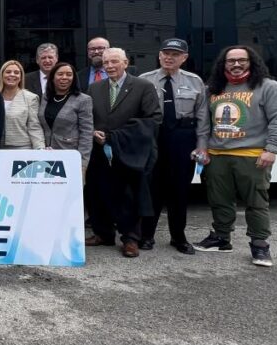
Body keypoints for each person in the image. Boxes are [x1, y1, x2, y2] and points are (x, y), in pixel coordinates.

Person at [193, 45, 277, 267]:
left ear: (252, 62)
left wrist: (272, 149)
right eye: (231, 61)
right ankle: (221, 238)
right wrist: (202, 148)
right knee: (219, 200)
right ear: (223, 64)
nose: (236, 65)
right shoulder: (213, 88)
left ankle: (260, 246)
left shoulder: (269, 87)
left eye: (242, 60)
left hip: (252, 154)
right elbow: (203, 124)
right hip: (217, 155)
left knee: (256, 202)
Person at [86, 48, 162, 258]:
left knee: (130, 195)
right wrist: (93, 132)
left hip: (132, 151)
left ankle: (130, 238)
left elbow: (152, 119)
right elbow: (88, 117)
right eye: (106, 63)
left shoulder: (143, 86)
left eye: (114, 62)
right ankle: (103, 234)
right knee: (99, 193)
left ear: (126, 62)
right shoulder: (94, 88)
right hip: (100, 150)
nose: (109, 66)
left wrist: (115, 135)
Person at [138, 39, 210, 255]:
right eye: (166, 53)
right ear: (159, 55)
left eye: (175, 54)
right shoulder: (144, 80)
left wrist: (202, 146)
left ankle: (178, 237)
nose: (169, 57)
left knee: (179, 191)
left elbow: (202, 118)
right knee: (152, 190)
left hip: (182, 137)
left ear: (184, 58)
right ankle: (147, 235)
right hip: (154, 137)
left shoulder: (195, 82)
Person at [39, 62, 94, 174]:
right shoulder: (45, 97)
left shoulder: (83, 99)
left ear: (74, 78)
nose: (64, 77)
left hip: (70, 155)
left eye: (69, 74)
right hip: (45, 154)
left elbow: (87, 133)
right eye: (60, 74)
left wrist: (82, 163)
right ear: (53, 77)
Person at [0, 60, 45, 149]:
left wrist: (40, 149)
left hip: (22, 149)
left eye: (16, 72)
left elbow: (34, 126)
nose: (12, 75)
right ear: (2, 75)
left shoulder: (30, 98)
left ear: (21, 77)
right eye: (8, 72)